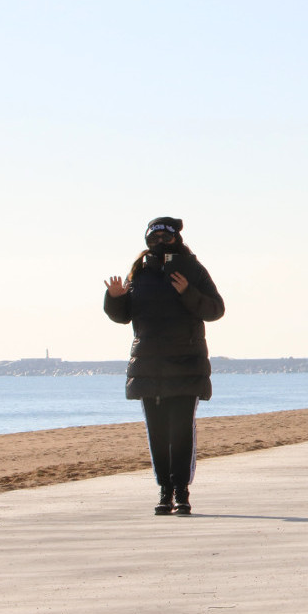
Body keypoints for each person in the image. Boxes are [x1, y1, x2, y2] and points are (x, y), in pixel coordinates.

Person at [104, 217, 225, 516]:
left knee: (181, 432)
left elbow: (215, 309)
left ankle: (182, 491)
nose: (159, 241)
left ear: (177, 239)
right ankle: (164, 491)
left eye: (166, 236)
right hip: (148, 368)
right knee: (157, 433)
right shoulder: (140, 271)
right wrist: (115, 299)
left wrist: (188, 292)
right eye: (154, 236)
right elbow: (124, 316)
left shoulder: (192, 269)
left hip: (186, 366)